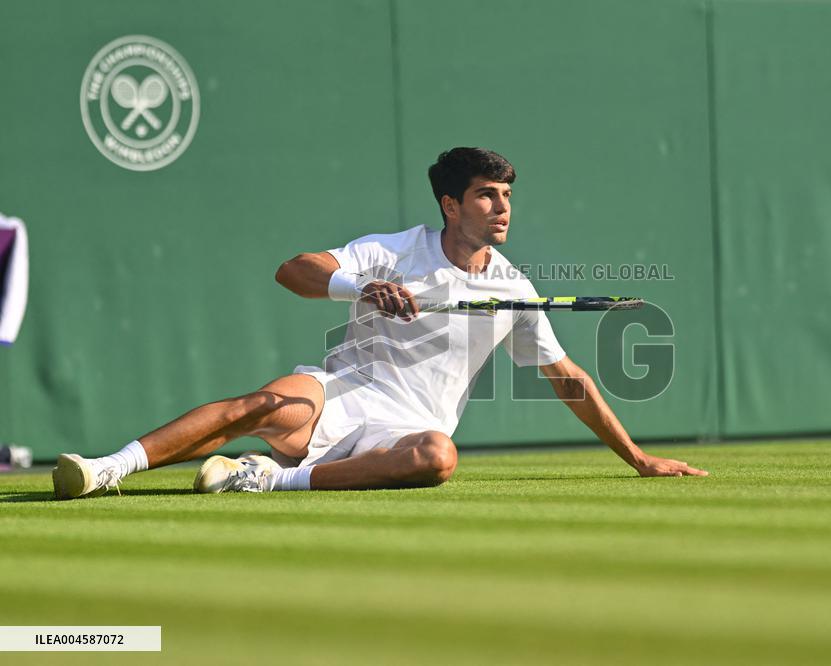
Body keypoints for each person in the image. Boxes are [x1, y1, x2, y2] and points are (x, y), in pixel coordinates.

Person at [52, 147, 707, 500]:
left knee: (439, 457)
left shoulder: (513, 289)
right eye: (486, 194)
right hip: (341, 393)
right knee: (263, 402)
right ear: (452, 205)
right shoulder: (392, 250)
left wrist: (639, 458)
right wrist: (360, 286)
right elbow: (294, 269)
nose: (502, 207)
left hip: (405, 430)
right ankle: (108, 468)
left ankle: (271, 479)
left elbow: (568, 378)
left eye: (507, 196)